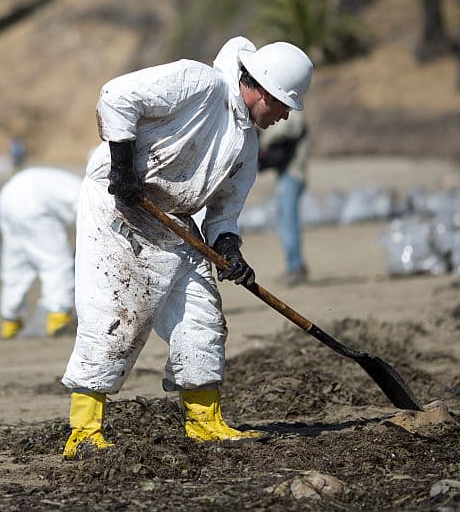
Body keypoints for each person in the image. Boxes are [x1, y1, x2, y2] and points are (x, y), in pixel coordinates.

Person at [60, 36, 313, 459]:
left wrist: (230, 250)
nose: (285, 115)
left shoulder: (247, 143)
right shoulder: (200, 84)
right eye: (284, 104)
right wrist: (123, 170)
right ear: (263, 89)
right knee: (115, 317)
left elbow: (223, 213)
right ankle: (84, 431)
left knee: (203, 316)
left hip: (173, 222)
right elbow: (116, 96)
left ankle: (205, 422)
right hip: (118, 206)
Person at [0, 166, 83, 340]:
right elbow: (90, 230)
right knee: (56, 262)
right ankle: (59, 317)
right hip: (33, 203)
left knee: (15, 261)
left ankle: (10, 319)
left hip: (7, 196)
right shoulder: (89, 194)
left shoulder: (74, 183)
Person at [257, 110, 311, 285]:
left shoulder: (294, 115)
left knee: (288, 222)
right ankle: (294, 266)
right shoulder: (292, 114)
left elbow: (283, 131)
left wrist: (262, 136)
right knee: (286, 221)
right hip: (287, 175)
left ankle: (296, 267)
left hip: (293, 175)